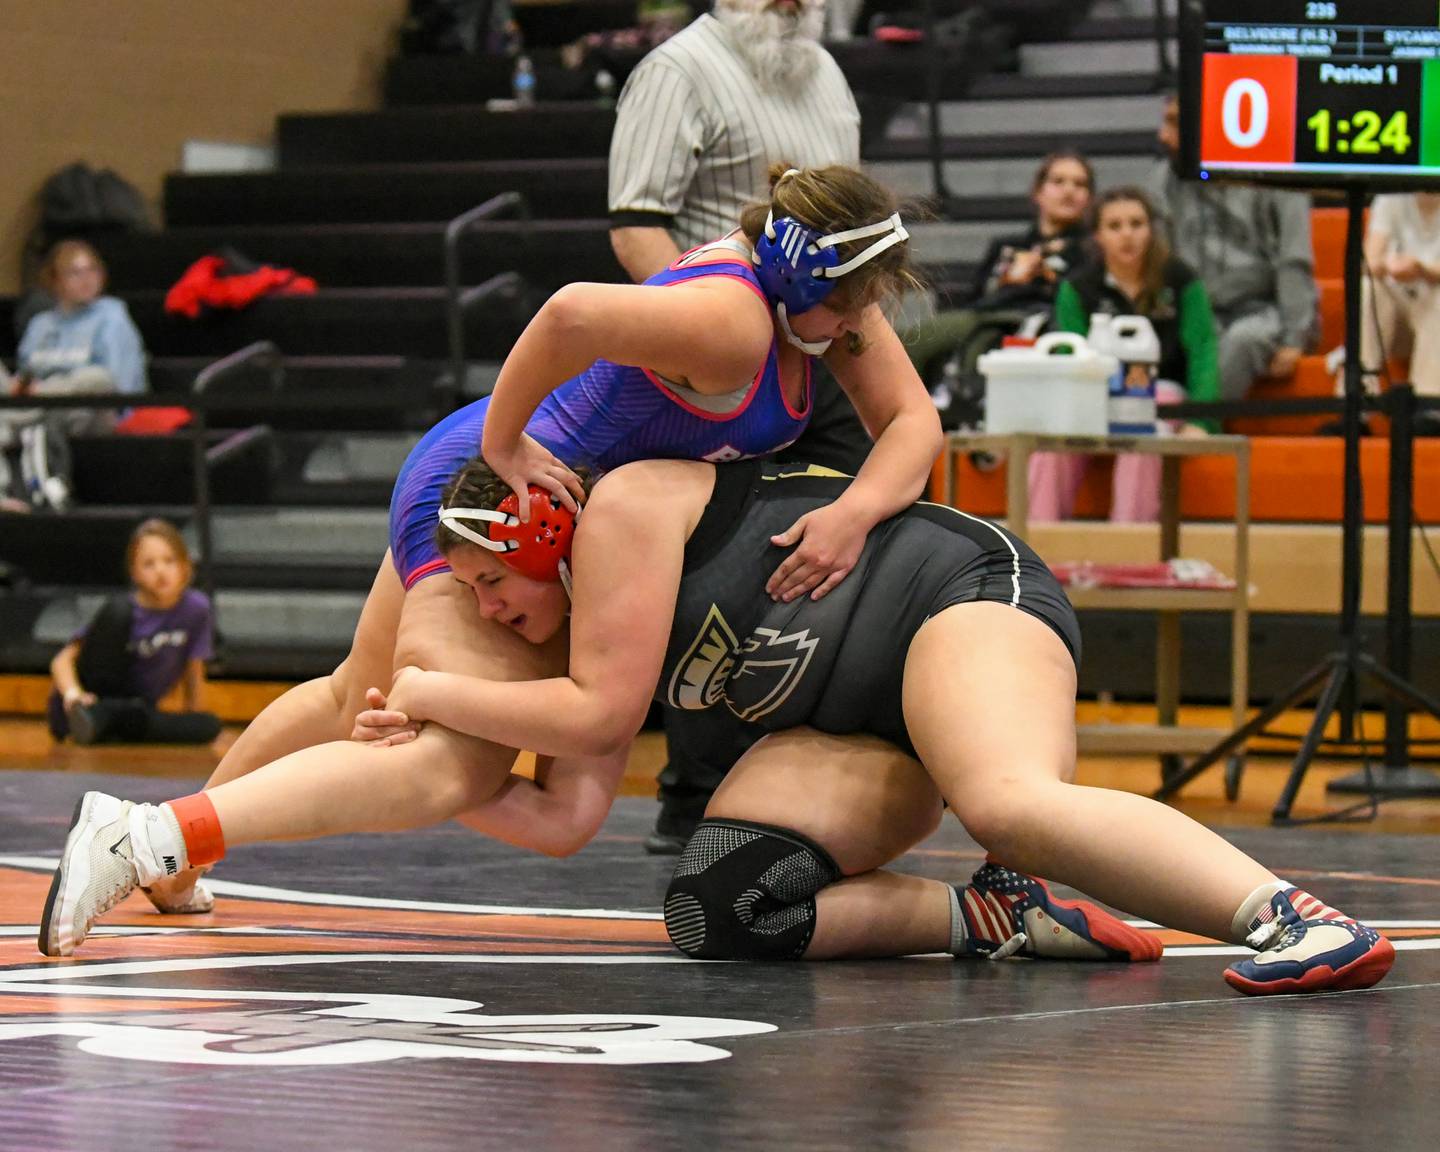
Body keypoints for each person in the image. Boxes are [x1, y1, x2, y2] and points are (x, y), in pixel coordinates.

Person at [42, 455, 1396, 998]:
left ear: (546, 541)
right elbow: (568, 818)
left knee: (1009, 795)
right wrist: (435, 770)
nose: (490, 616)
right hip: (851, 719)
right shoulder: (568, 638)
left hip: (951, 598)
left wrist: (443, 704)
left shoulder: (625, 522)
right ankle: (992, 918)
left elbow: (581, 707)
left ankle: (1292, 914)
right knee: (727, 906)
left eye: (495, 590)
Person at [120, 162, 941, 918]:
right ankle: (164, 839)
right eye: (846, 305)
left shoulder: (814, 305)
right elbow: (570, 312)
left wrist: (854, 510)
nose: (849, 328)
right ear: (800, 272)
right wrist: (504, 443)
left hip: (551, 502)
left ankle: (176, 857)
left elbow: (912, 421)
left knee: (375, 709)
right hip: (508, 496)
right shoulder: (733, 321)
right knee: (449, 760)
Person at [608, 7, 877, 851]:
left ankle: (820, 773)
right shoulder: (679, 70)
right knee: (715, 556)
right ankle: (695, 794)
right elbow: (635, 226)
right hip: (715, 362)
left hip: (816, 348)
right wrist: (710, 339)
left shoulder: (823, 71)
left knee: (848, 537)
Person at [1027, 187, 1219, 523]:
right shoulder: (1078, 287)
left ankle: (1132, 546)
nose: (1127, 234)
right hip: (1092, 399)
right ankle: (1037, 551)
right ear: (1098, 235)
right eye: (1115, 226)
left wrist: (1201, 421)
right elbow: (1066, 351)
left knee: (1145, 433)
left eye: (1137, 223)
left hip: (1162, 395)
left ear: (1151, 228)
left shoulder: (1181, 279)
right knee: (1047, 450)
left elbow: (1203, 349)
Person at [1148, 91, 1317, 402]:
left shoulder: (1279, 177)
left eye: (1174, 123)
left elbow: (1293, 259)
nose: (1163, 136)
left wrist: (1296, 336)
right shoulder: (1162, 181)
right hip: (1193, 309)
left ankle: (1199, 424)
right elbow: (1160, 265)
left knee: (1243, 340)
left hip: (1261, 310)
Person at [905, 151, 1095, 386]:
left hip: (1037, 320)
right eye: (1058, 181)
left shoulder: (1090, 251)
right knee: (917, 338)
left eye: (1080, 184)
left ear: (1089, 198)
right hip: (984, 313)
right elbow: (977, 294)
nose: (1069, 190)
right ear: (1038, 192)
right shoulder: (1007, 245)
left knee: (972, 342)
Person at [47, 518, 220, 748]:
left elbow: (194, 669)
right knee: (118, 612)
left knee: (208, 725)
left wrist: (193, 717)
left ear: (185, 566)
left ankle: (108, 725)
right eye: (149, 564)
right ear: (135, 573)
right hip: (88, 702)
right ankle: (93, 719)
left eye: (169, 561)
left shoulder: (197, 609)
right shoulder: (123, 610)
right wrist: (73, 695)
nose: (160, 571)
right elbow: (61, 661)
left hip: (137, 710)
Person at [12, 239, 147, 434]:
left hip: (94, 410)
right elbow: (24, 376)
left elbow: (114, 385)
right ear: (54, 280)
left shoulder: (113, 316)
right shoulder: (40, 324)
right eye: (74, 273)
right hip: (38, 406)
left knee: (95, 377)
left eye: (93, 270)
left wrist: (41, 391)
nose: (86, 279)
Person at [1359, 192, 1440, 401]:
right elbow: (1370, 260)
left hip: (1432, 314)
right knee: (1369, 287)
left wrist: (1422, 270)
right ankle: (1359, 401)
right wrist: (1390, 266)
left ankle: (1428, 408)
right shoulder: (1390, 197)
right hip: (1396, 320)